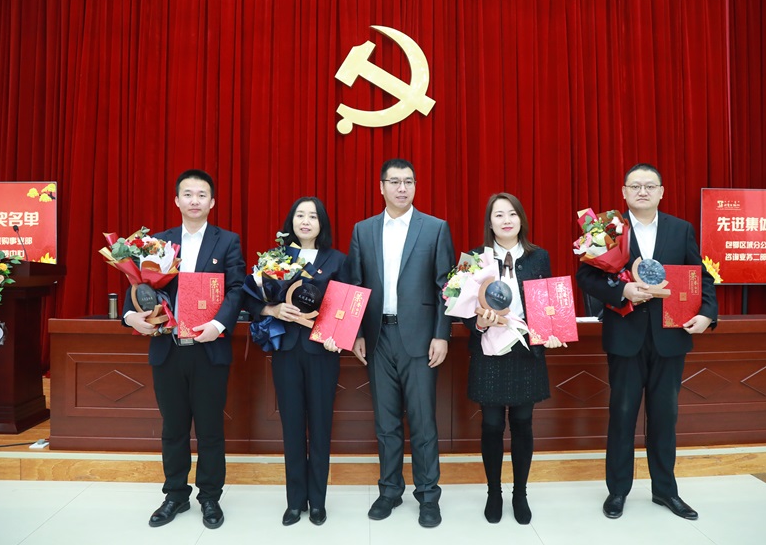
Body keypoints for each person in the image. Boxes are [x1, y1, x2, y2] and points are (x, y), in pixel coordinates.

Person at [576, 163, 717, 521]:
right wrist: (622, 291)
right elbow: (586, 277)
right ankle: (617, 491)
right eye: (635, 186)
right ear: (624, 192)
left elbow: (700, 276)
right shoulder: (609, 230)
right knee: (622, 415)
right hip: (625, 336)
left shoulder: (681, 229)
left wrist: (707, 313)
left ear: (661, 192)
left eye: (650, 186)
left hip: (671, 336)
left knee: (665, 417)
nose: (642, 191)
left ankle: (665, 491)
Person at [334, 158, 454, 528]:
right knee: (386, 421)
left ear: (415, 186)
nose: (402, 188)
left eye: (409, 181)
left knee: (423, 421)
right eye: (395, 181)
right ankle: (389, 490)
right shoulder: (363, 230)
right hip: (378, 336)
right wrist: (355, 333)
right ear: (381, 187)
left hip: (420, 338)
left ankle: (428, 496)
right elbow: (355, 284)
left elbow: (446, 287)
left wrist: (442, 334)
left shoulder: (435, 228)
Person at [123, 169, 245, 530]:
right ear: (177, 200)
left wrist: (218, 325)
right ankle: (175, 494)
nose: (195, 200)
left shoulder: (227, 241)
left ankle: (210, 497)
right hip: (168, 347)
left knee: (210, 429)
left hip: (208, 347)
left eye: (202, 194)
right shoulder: (158, 243)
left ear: (212, 202)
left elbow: (237, 288)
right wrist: (132, 317)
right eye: (188, 194)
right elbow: (136, 288)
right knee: (173, 428)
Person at [463, 193, 566, 525]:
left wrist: (552, 331)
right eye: (498, 215)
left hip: (525, 352)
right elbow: (460, 308)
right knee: (492, 424)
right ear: (489, 222)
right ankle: (494, 492)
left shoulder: (539, 257)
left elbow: (548, 304)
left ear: (521, 219)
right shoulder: (475, 258)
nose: (506, 220)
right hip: (490, 351)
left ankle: (520, 493)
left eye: (512, 214)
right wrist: (479, 322)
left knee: (522, 423)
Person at [243, 197, 346, 527]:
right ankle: (294, 502)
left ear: (321, 223)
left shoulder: (337, 260)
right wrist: (272, 309)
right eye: (300, 215)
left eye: (312, 216)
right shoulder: (276, 258)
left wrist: (338, 335)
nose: (305, 221)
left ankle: (317, 502)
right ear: (291, 222)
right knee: (291, 427)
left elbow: (348, 303)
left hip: (322, 352)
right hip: (286, 350)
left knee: (320, 427)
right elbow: (250, 298)